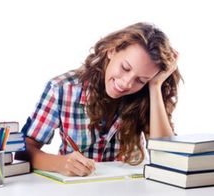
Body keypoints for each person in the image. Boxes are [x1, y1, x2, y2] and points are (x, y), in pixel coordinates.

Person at [16, 22, 182, 177]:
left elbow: (166, 158)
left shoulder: (147, 93)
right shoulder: (62, 88)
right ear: (112, 50)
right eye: (125, 68)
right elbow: (24, 150)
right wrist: (59, 163)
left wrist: (154, 86)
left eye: (141, 80)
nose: (126, 83)